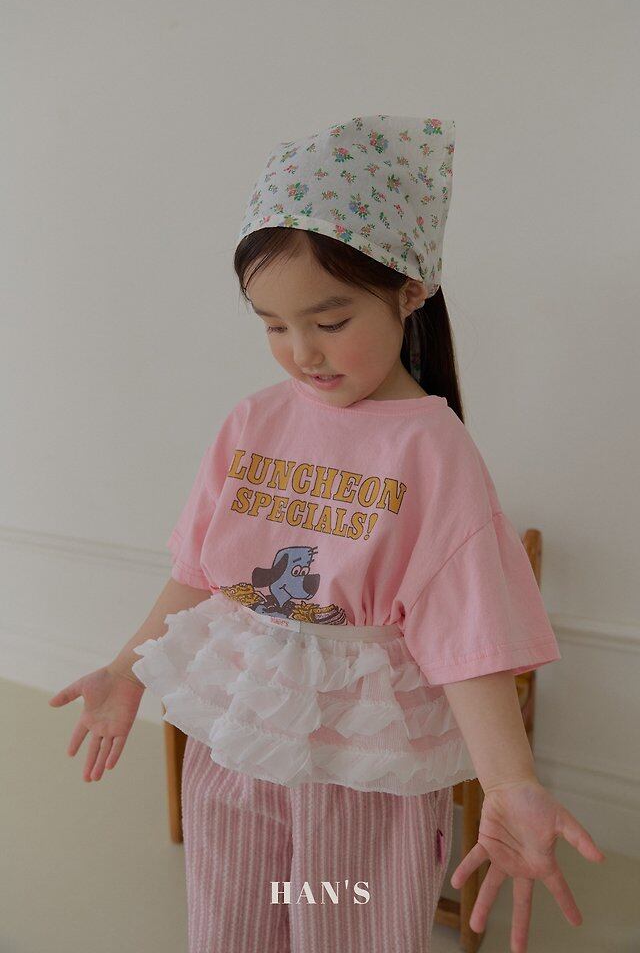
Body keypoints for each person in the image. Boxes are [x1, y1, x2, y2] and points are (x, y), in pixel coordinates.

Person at [49, 114, 605, 953]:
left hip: (363, 761)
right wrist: (128, 669)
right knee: (231, 925)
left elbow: (468, 637)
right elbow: (200, 570)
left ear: (408, 291)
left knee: (349, 928)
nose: (301, 352)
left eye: (330, 321)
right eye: (273, 325)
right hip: (240, 735)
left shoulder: (432, 449)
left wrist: (509, 783)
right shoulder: (253, 422)